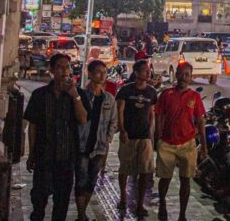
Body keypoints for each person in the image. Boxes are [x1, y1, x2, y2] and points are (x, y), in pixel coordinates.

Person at [24, 54, 89, 221]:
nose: (64, 71)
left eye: (67, 67)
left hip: (66, 158)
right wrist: (31, 153)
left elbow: (82, 119)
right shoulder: (40, 95)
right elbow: (33, 125)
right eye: (60, 67)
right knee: (38, 200)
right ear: (52, 70)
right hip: (44, 156)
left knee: (61, 204)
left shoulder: (77, 94)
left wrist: (75, 96)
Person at [154, 62, 208, 221]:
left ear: (191, 77)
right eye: (181, 74)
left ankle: (182, 214)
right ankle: (162, 203)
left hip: (188, 144)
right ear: (176, 74)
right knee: (165, 178)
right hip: (167, 143)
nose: (184, 78)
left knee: (186, 180)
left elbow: (200, 122)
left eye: (187, 75)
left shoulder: (195, 97)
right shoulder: (166, 94)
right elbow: (158, 116)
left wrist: (204, 147)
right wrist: (157, 138)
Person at [74, 60, 118, 221]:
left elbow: (113, 123)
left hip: (99, 147)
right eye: (98, 72)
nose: (102, 75)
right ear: (90, 74)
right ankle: (80, 215)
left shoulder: (109, 99)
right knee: (81, 181)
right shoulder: (82, 96)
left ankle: (82, 213)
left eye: (104, 72)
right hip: (82, 146)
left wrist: (107, 140)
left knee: (91, 181)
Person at [116, 60, 159, 217]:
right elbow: (119, 110)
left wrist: (151, 131)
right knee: (125, 168)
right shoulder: (126, 91)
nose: (148, 73)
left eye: (148, 71)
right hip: (129, 135)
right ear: (136, 73)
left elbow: (151, 112)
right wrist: (122, 130)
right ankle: (122, 197)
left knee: (145, 171)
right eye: (144, 71)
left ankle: (140, 203)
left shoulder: (152, 92)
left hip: (145, 136)